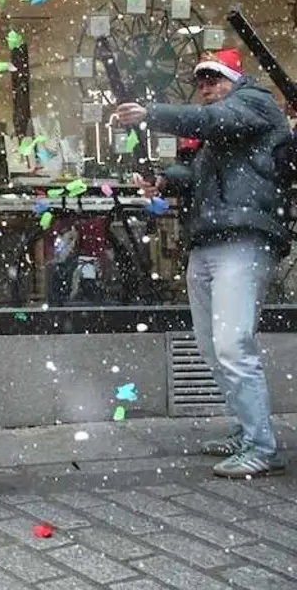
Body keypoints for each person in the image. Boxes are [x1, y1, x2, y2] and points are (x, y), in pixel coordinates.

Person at [113, 47, 291, 478]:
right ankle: (248, 430)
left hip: (242, 238)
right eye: (201, 80)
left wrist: (150, 113)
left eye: (213, 78)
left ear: (234, 78)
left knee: (231, 346)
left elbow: (212, 119)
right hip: (211, 240)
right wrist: (161, 180)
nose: (206, 87)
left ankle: (262, 446)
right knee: (214, 347)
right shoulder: (220, 132)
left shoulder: (255, 104)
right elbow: (194, 175)